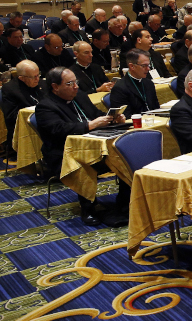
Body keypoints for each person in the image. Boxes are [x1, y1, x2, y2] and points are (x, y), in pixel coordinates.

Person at [36, 67, 126, 226]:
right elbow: (59, 130)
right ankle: (88, 208)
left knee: (126, 154)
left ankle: (125, 201)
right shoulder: (45, 106)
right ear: (55, 87)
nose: (76, 86)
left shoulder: (80, 96)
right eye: (69, 84)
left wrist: (112, 119)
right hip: (63, 154)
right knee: (84, 165)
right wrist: (89, 125)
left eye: (75, 82)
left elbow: (97, 114)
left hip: (93, 146)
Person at [1, 60, 41, 150]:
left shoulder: (41, 84)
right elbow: (11, 117)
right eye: (33, 77)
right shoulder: (10, 90)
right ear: (21, 78)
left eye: (38, 75)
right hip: (24, 131)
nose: (37, 79)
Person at [109, 49, 160, 118]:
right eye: (144, 66)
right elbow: (125, 116)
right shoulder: (119, 88)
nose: (148, 69)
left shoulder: (149, 83)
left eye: (148, 65)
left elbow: (156, 108)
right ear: (132, 66)